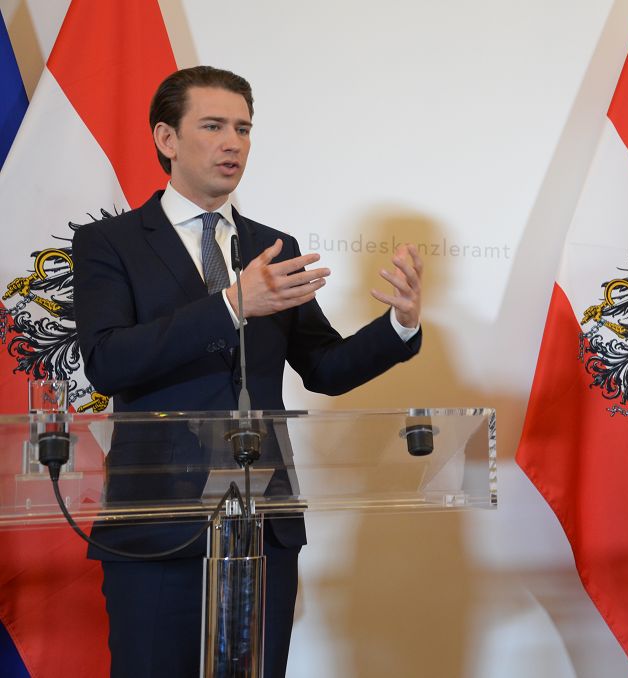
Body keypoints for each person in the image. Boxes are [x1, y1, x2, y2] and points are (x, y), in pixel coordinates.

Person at [72, 66, 423, 678]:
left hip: (263, 526)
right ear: (166, 139)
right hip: (157, 525)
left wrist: (398, 327)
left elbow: (324, 368)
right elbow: (107, 360)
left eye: (243, 128)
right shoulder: (112, 243)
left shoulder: (271, 246)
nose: (233, 142)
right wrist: (232, 305)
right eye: (213, 126)